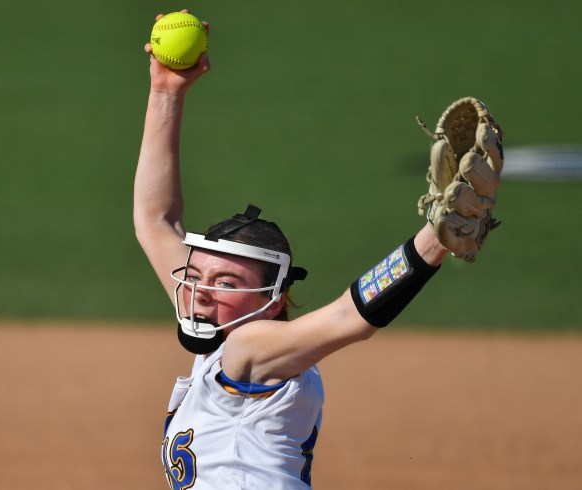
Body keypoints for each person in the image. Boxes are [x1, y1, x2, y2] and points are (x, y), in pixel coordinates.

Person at [134, 12, 448, 490]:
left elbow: (348, 318)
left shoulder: (246, 349)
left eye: (226, 284)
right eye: (197, 277)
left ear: (272, 301)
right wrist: (165, 91)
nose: (199, 295)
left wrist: (435, 239)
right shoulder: (228, 345)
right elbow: (155, 220)